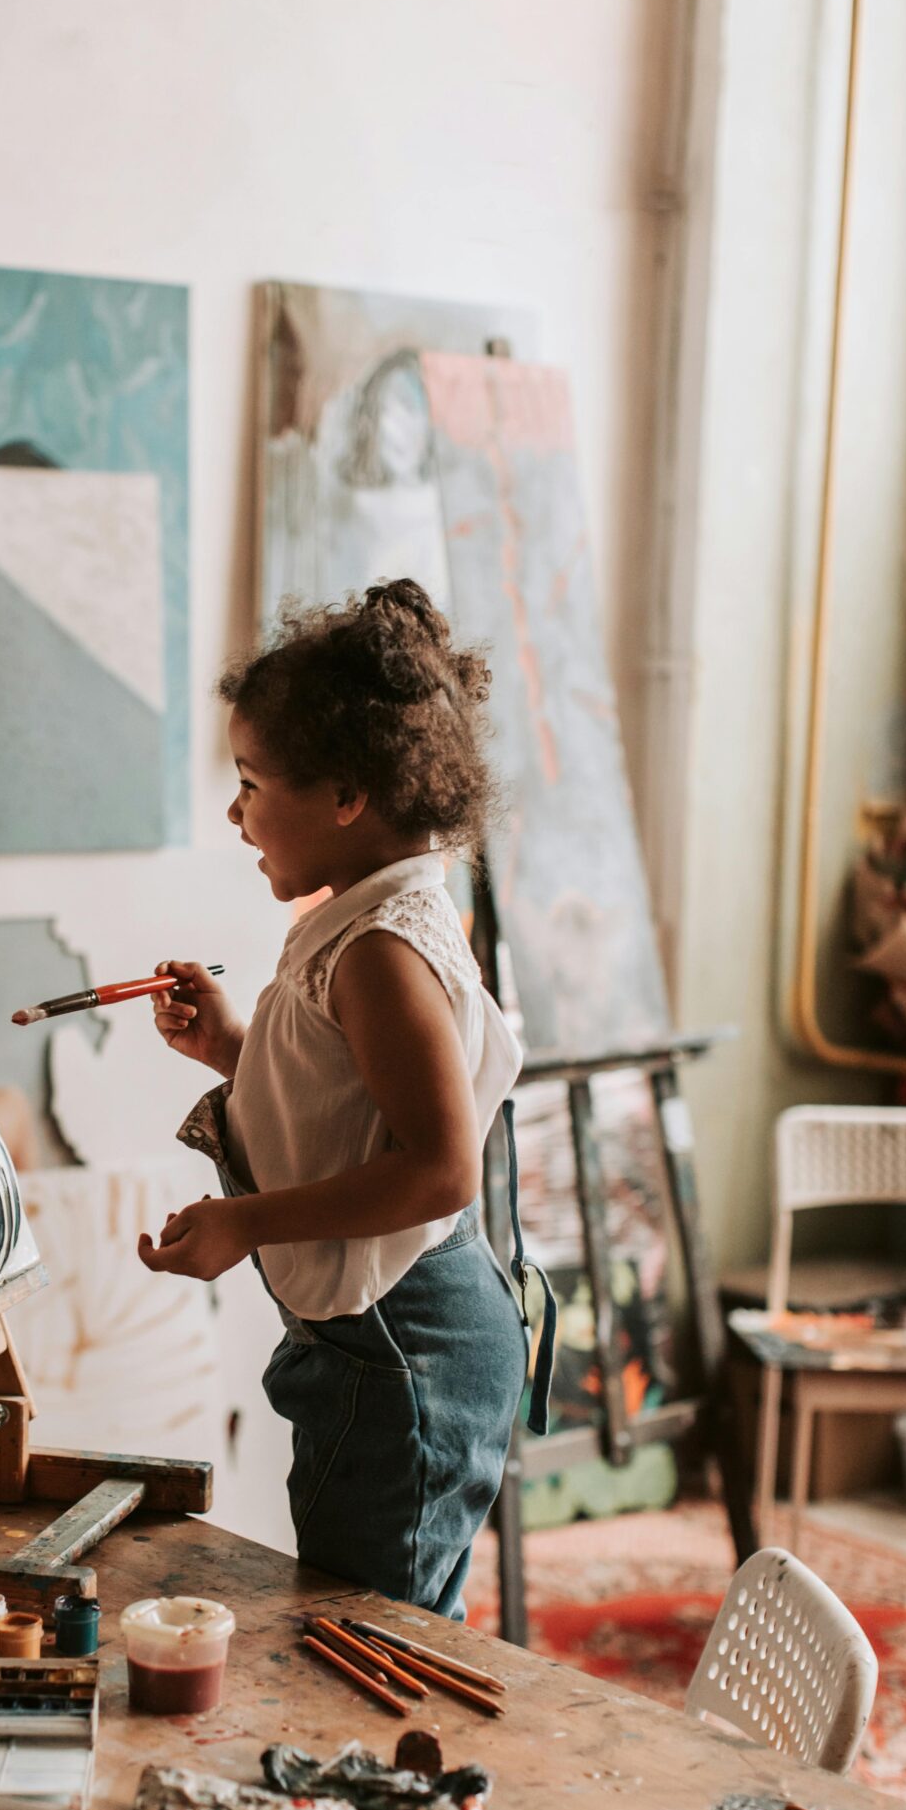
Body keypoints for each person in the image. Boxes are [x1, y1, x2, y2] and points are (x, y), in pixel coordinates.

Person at [137, 578, 554, 1619]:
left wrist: (244, 1220)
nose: (236, 815)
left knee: (369, 1641)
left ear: (347, 797)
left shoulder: (379, 951)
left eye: (250, 783)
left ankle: (391, 1787)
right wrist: (236, 1050)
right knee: (372, 1624)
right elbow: (350, 1108)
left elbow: (439, 1168)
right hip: (384, 1347)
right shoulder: (366, 923)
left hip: (405, 1356)